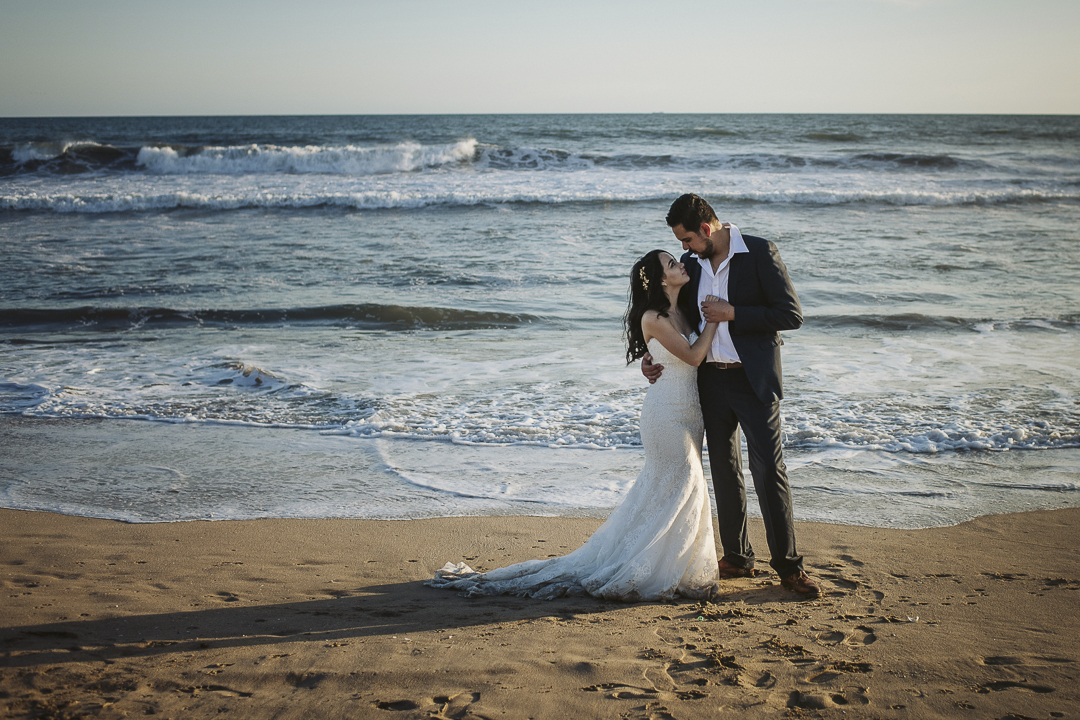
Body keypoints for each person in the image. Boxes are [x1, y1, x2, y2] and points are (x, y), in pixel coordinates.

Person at [427, 250, 723, 601]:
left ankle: (675, 566)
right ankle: (652, 569)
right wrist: (717, 321)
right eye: (672, 264)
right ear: (661, 279)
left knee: (671, 491)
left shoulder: (683, 308)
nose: (680, 265)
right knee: (686, 482)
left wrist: (656, 357)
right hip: (665, 416)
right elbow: (692, 356)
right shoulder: (653, 317)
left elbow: (677, 356)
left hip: (690, 414)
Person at [643, 193, 820, 597]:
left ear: (706, 230)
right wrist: (650, 357)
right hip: (709, 382)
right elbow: (671, 317)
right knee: (724, 471)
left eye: (687, 240)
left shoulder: (760, 252)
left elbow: (790, 314)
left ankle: (789, 567)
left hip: (752, 379)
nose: (683, 250)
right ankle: (738, 557)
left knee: (768, 471)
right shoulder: (690, 265)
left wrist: (734, 312)